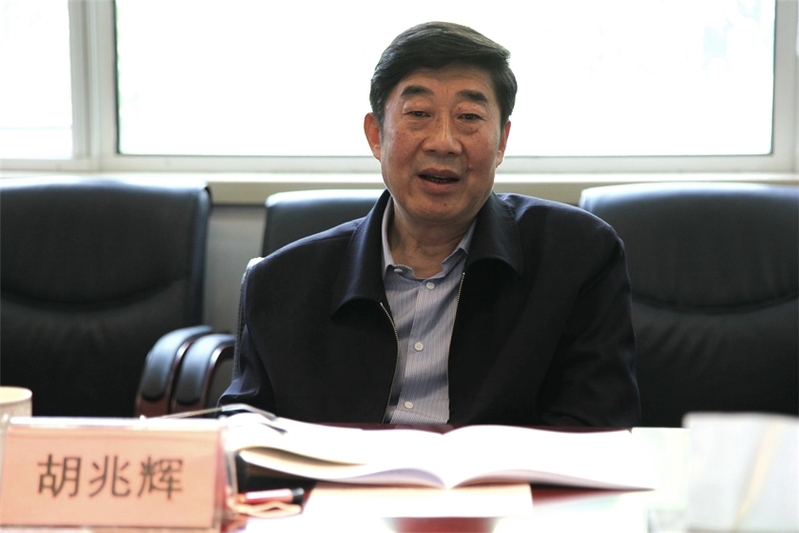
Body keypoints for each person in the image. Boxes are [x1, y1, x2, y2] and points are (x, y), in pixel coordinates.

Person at [220, 21, 640, 427]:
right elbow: (245, 431)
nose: (443, 142)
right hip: (339, 478)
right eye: (419, 113)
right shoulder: (281, 283)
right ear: (376, 135)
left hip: (504, 478)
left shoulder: (577, 258)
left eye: (469, 117)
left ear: (502, 141)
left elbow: (595, 429)